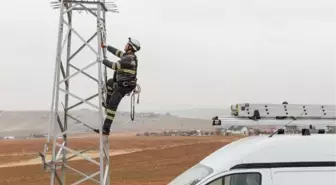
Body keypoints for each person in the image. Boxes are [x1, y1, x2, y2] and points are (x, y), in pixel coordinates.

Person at [93, 37, 141, 135]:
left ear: (130, 47)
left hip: (123, 87)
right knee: (110, 83)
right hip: (122, 84)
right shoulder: (128, 56)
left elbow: (114, 66)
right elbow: (117, 52)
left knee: (112, 107)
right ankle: (107, 104)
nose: (125, 45)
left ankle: (106, 129)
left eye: (127, 44)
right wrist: (107, 47)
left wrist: (102, 60)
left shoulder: (128, 58)